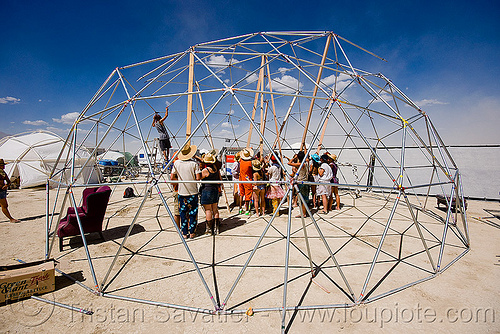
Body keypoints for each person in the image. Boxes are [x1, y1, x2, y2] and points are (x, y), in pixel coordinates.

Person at [171, 144, 201, 239]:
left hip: (181, 192)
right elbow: (198, 178)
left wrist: (179, 182)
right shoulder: (194, 164)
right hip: (193, 192)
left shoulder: (177, 163)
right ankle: (192, 232)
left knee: (183, 213)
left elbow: (172, 177)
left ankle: (184, 233)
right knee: (193, 212)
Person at [200, 153, 222, 235]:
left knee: (208, 210)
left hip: (207, 190)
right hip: (215, 190)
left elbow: (199, 178)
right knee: (215, 209)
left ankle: (210, 229)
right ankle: (217, 228)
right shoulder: (216, 168)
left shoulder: (205, 170)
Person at [286, 151, 310, 218]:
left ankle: (303, 213)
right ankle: (304, 212)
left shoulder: (300, 164)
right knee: (305, 198)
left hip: (301, 182)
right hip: (305, 182)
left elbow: (289, 163)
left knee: (302, 199)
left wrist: (294, 158)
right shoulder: (306, 163)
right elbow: (307, 158)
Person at [238, 148, 254, 215]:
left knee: (241, 194)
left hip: (241, 179)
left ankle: (240, 209)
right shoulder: (250, 163)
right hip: (247, 180)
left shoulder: (241, 161)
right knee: (248, 196)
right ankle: (247, 210)